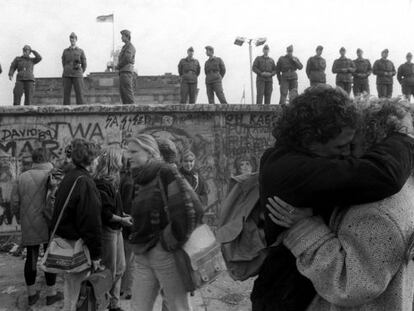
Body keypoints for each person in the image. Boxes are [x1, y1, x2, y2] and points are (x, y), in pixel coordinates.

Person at [251, 85, 414, 311]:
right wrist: (404, 137)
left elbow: (353, 284)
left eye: (351, 145)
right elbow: (383, 174)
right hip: (286, 292)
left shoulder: (379, 210)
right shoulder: (288, 170)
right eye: (341, 145)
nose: (346, 154)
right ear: (310, 140)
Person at [125, 134, 204, 311]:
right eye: (127, 151)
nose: (127, 155)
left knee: (178, 306)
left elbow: (193, 209)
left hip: (165, 254)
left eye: (133, 151)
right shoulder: (139, 178)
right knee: (138, 306)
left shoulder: (166, 172)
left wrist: (168, 241)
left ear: (150, 152)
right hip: (142, 253)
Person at [51, 139, 102, 311]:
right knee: (78, 296)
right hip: (78, 247)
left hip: (66, 243)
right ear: (90, 160)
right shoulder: (85, 182)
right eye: (96, 158)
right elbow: (91, 221)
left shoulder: (71, 177)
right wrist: (96, 255)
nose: (98, 162)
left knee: (70, 292)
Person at [11, 148, 62, 307]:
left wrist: (21, 218)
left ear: (33, 159)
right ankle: (51, 294)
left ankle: (32, 294)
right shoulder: (55, 175)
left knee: (31, 258)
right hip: (50, 223)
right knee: (50, 257)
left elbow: (14, 203)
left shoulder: (21, 178)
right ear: (48, 158)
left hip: (29, 223)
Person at [94, 147, 132, 311]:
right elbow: (105, 214)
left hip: (116, 229)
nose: (123, 162)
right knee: (110, 270)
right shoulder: (102, 184)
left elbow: (112, 209)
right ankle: (104, 303)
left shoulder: (112, 181)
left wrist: (122, 214)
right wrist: (122, 219)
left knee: (120, 268)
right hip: (108, 231)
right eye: (120, 159)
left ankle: (113, 303)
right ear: (113, 162)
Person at [119, 158, 135, 300]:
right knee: (129, 259)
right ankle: (127, 289)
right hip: (128, 226)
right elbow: (127, 206)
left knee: (126, 258)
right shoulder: (130, 181)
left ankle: (123, 288)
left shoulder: (124, 179)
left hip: (124, 225)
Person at [62, 32, 87, 105]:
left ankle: (81, 110)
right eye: (71, 38)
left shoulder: (80, 51)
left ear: (76, 40)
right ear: (69, 40)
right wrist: (67, 69)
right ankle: (65, 112)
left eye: (74, 38)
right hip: (67, 74)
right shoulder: (65, 51)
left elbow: (84, 64)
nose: (72, 40)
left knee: (79, 93)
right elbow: (63, 62)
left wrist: (80, 72)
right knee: (66, 94)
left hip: (77, 74)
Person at [116, 29, 136, 105]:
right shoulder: (125, 47)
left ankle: (132, 110)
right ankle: (126, 109)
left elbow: (127, 58)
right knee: (123, 92)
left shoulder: (130, 47)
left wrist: (118, 65)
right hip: (123, 71)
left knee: (127, 92)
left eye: (122, 36)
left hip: (126, 71)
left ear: (127, 37)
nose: (121, 38)